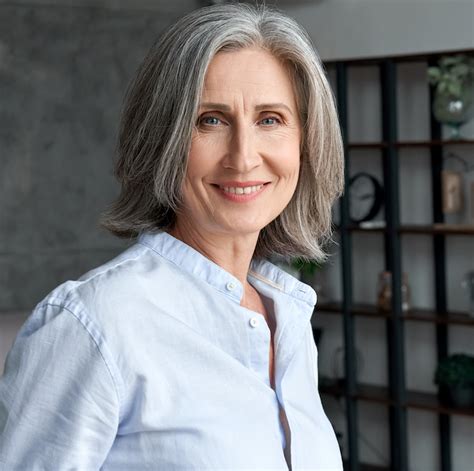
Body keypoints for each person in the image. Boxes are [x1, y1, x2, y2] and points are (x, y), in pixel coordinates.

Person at [0, 3, 344, 470]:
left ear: (306, 141)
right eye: (211, 120)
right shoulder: (94, 324)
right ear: (162, 139)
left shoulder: (288, 319)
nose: (243, 158)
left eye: (270, 119)